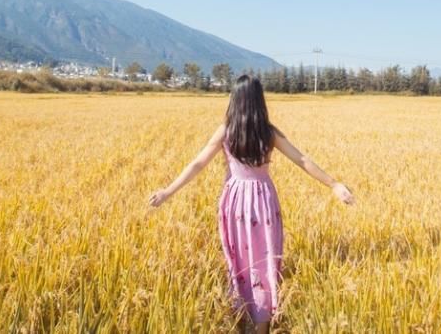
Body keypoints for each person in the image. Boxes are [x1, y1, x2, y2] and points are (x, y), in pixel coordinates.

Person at [147, 74, 355, 333]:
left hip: (234, 203)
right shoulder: (268, 132)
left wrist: (168, 191)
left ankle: (242, 315)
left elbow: (197, 163)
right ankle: (262, 325)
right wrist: (333, 184)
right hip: (263, 202)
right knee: (265, 259)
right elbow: (302, 160)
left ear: (235, 99)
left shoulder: (226, 130)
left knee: (239, 260)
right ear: (259, 101)